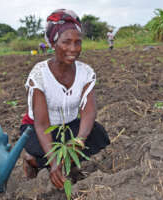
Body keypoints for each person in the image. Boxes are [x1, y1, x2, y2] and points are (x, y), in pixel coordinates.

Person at [20, 9, 110, 189]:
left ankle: (66, 163)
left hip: (67, 126)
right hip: (37, 129)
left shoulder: (85, 72)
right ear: (54, 43)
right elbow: (42, 124)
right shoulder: (40, 74)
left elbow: (88, 111)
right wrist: (53, 162)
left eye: (78, 43)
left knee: (99, 137)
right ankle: (32, 161)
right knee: (47, 156)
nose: (73, 49)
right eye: (66, 42)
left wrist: (79, 140)